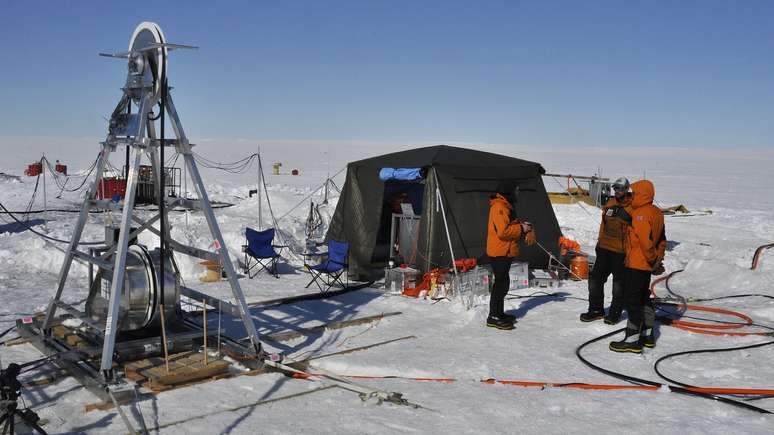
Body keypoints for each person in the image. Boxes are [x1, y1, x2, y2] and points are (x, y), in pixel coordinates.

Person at [610, 180, 667, 353]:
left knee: (633, 301)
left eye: (634, 193)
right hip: (644, 264)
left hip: (638, 264)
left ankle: (632, 340)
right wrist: (657, 259)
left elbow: (645, 242)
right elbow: (662, 239)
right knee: (643, 298)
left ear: (641, 194)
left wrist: (651, 259)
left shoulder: (641, 213)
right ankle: (647, 335)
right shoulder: (656, 212)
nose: (631, 195)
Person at [580, 177, 632, 324]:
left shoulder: (633, 207)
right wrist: (599, 242)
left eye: (621, 188)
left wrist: (630, 252)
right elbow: (604, 225)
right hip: (604, 248)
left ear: (627, 189)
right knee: (595, 280)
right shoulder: (610, 203)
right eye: (616, 188)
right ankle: (596, 310)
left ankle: (615, 313)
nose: (618, 191)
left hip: (621, 252)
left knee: (618, 284)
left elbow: (635, 232)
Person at [486, 180, 535, 330]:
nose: (517, 193)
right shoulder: (499, 207)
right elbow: (503, 231)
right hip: (499, 252)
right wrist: (522, 229)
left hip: (505, 251)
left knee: (503, 283)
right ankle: (493, 316)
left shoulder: (506, 205)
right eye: (516, 190)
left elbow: (509, 225)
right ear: (509, 191)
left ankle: (499, 313)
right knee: (500, 284)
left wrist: (525, 227)